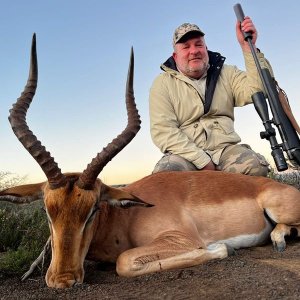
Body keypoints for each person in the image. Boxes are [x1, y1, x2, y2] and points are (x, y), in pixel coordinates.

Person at [149, 17, 273, 176]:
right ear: (175, 56)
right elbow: (163, 130)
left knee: (254, 166)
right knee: (165, 177)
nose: (194, 51)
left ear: (206, 48)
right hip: (185, 155)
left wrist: (249, 47)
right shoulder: (162, 84)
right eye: (186, 47)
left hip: (225, 150)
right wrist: (202, 160)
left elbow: (259, 89)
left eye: (198, 44)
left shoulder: (227, 73)